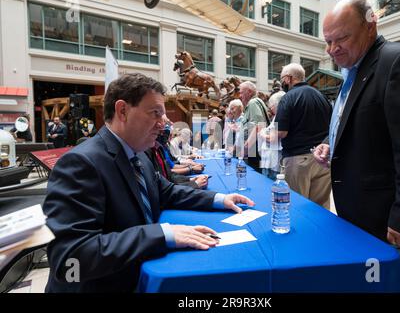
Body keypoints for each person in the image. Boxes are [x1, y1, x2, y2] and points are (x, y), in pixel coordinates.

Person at [43, 73, 255, 292]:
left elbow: (167, 192)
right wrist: (164, 234)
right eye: (156, 113)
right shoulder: (81, 163)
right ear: (122, 111)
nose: (164, 124)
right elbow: (69, 259)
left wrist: (219, 199)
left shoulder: (139, 155)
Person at [313, 0, 400, 293]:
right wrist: (329, 143)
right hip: (360, 217)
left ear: (370, 25)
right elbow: (361, 124)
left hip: (391, 223)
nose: (332, 49)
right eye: (328, 41)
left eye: (342, 38)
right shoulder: (353, 72)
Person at [274, 63, 332, 209]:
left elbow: (281, 132)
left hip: (298, 160)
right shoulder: (321, 96)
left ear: (288, 78)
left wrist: (264, 133)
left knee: (297, 207)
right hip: (322, 158)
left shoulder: (288, 97)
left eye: (282, 79)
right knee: (321, 208)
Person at [239, 81, 271, 172]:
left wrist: (246, 147)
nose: (240, 95)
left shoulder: (253, 103)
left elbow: (258, 126)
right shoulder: (255, 102)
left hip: (254, 150)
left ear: (249, 91)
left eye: (241, 92)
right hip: (255, 149)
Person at [258, 93, 283, 180]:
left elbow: (272, 138)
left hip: (273, 163)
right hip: (268, 161)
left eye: (271, 106)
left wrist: (262, 133)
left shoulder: (281, 116)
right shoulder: (277, 117)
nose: (271, 109)